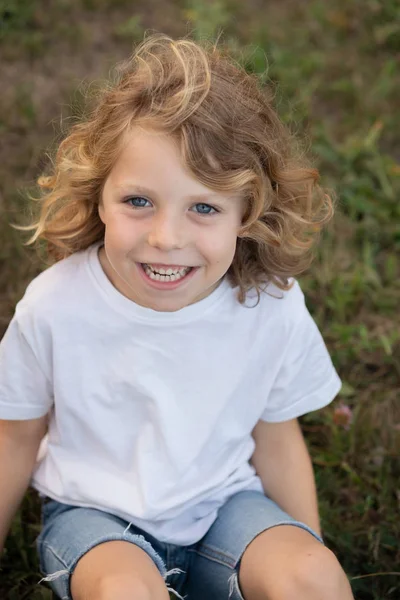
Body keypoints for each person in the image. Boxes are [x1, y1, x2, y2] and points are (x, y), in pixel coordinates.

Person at [0, 33, 355, 600]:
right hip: (96, 522)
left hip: (226, 508)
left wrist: (302, 543)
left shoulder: (270, 305)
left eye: (205, 208)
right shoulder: (55, 307)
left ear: (247, 214)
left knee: (312, 578)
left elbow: (275, 433)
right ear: (99, 197)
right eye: (138, 201)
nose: (166, 238)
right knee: (124, 591)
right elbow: (15, 438)